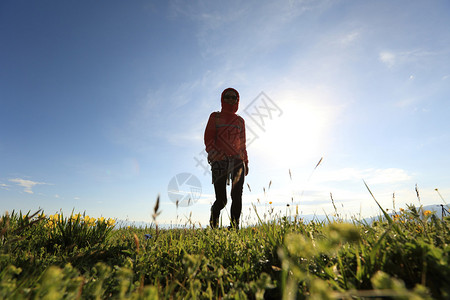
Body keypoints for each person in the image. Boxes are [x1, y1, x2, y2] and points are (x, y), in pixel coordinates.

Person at [204, 87, 249, 229]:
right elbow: (208, 138)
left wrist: (245, 162)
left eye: (233, 97)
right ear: (222, 99)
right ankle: (214, 227)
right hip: (219, 161)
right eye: (227, 97)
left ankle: (234, 228)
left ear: (237, 100)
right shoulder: (215, 116)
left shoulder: (240, 121)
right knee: (222, 200)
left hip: (237, 161)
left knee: (237, 196)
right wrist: (214, 153)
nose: (230, 99)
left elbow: (243, 143)